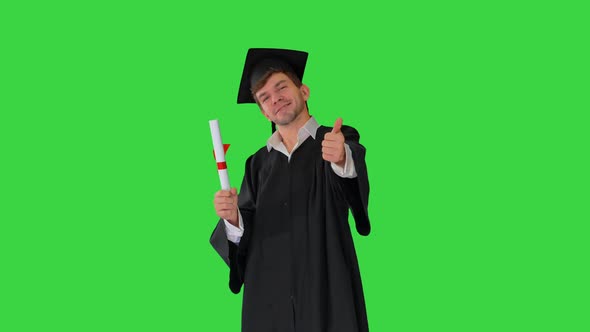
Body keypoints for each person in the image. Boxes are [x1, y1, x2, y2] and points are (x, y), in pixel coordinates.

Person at [210, 48, 371, 332]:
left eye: (281, 87)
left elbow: (351, 179)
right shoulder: (257, 165)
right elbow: (242, 241)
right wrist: (233, 219)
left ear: (304, 91)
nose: (276, 99)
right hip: (269, 302)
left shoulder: (333, 140)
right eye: (265, 97)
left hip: (326, 291)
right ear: (262, 111)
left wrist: (342, 157)